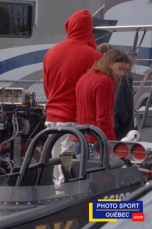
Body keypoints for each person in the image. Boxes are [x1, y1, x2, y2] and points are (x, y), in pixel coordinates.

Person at [42, 10, 102, 185]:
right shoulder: (94, 56)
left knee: (55, 163)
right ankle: (67, 199)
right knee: (68, 165)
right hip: (75, 121)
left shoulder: (51, 52)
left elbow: (47, 87)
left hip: (52, 118)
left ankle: (55, 193)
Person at [76, 49, 133, 144]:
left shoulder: (84, 77)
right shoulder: (105, 81)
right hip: (96, 141)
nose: (122, 74)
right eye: (120, 68)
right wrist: (110, 144)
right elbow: (103, 119)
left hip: (79, 137)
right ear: (110, 63)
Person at [97, 43, 135, 140]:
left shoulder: (120, 77)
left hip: (118, 133)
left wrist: (113, 126)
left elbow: (120, 107)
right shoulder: (118, 77)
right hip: (121, 131)